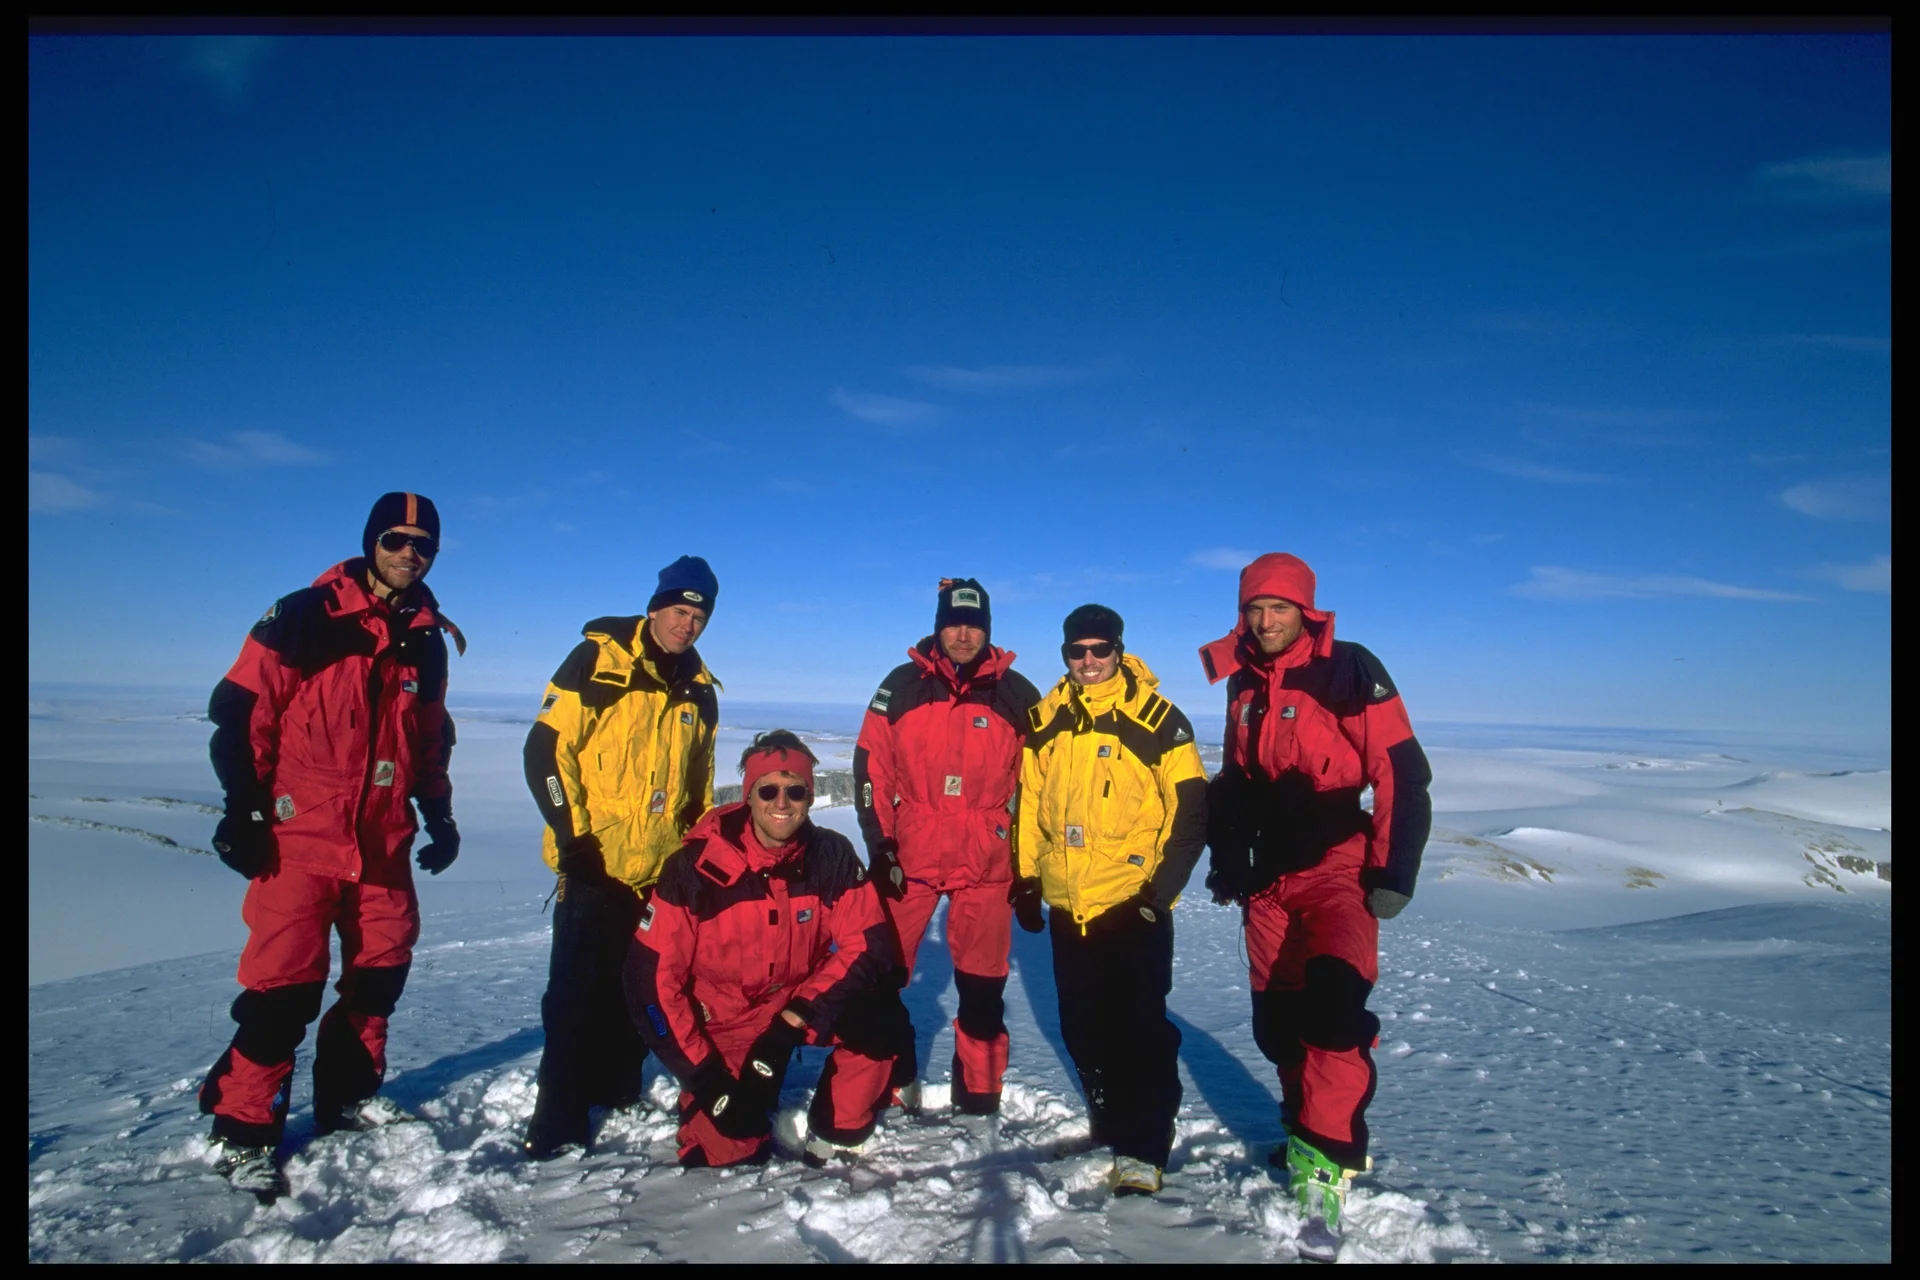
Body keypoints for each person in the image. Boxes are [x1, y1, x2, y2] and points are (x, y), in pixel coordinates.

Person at [199, 492, 464, 1200]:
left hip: (381, 840)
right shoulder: (305, 616)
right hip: (301, 837)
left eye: (424, 545)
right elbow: (242, 711)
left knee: (379, 977)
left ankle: (344, 1100)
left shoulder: (427, 637)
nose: (411, 553)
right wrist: (246, 811)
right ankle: (242, 1130)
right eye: (397, 539)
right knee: (283, 989)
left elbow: (428, 737)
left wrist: (437, 813)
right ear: (372, 541)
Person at [1197, 552, 1432, 1257]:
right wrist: (1227, 848)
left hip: (1336, 869)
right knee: (1279, 1026)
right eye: (1253, 609)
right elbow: (1240, 775)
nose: (1265, 621)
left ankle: (1328, 1155)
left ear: (1307, 610)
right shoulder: (1240, 677)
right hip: (1269, 880)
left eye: (1278, 608)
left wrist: (1394, 868)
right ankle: (1303, 1129)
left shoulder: (1350, 668)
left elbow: (1401, 769)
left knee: (1334, 1011)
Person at [625, 732, 906, 1167]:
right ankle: (717, 1116)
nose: (782, 803)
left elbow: (868, 945)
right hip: (724, 1028)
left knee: (881, 1016)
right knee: (731, 1142)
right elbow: (650, 983)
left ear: (810, 797)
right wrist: (704, 1078)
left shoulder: (830, 856)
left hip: (794, 1008)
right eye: (768, 790)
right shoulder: (693, 870)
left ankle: (838, 1133)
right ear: (748, 796)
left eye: (796, 791)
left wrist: (793, 1020)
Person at [519, 555, 721, 1159]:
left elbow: (698, 787)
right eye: (679, 611)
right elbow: (546, 751)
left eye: (699, 615)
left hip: (658, 870)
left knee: (641, 989)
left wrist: (695, 854)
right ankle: (556, 1120)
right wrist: (574, 840)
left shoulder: (700, 690)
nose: (687, 624)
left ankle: (618, 1089)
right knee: (573, 998)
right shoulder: (598, 661)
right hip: (594, 866)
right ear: (656, 607)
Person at [1012, 605, 1207, 1196]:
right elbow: (1029, 805)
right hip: (1070, 906)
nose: (1089, 662)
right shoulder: (1044, 721)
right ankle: (1110, 1112)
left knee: (1141, 1031)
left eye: (1100, 650)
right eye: (1078, 652)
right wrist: (1025, 881)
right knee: (1081, 1025)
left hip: (1131, 905)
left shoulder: (1159, 721)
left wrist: (1159, 895)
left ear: (1119, 650)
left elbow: (1191, 813)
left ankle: (1143, 1146)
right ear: (1065, 655)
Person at [853, 578, 1041, 1114]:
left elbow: (1040, 788)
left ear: (988, 629)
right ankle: (895, 1076)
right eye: (954, 623)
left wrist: (1027, 869)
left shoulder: (1017, 693)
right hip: (909, 858)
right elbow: (871, 770)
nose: (964, 634)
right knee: (880, 977)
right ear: (938, 626)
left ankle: (979, 1097)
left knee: (983, 990)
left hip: (987, 863)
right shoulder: (902, 684)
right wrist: (881, 848)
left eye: (975, 625)